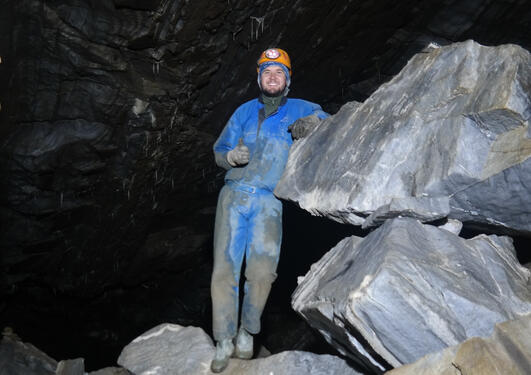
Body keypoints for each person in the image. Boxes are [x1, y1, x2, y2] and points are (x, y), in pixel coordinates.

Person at [210, 47, 328, 373]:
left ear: (287, 80)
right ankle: (223, 339)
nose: (272, 77)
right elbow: (219, 150)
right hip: (233, 197)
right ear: (259, 78)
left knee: (262, 273)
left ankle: (248, 330)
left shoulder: (302, 108)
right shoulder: (243, 112)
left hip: (268, 202)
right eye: (267, 72)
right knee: (225, 270)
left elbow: (329, 124)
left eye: (279, 73)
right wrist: (230, 157)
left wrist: (311, 125)